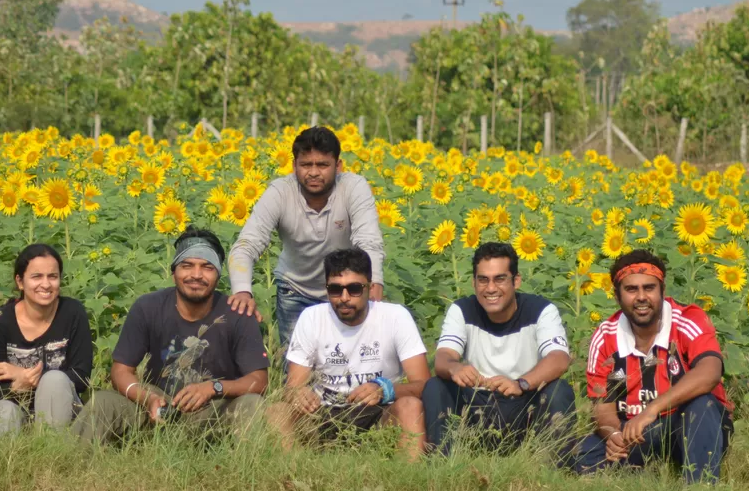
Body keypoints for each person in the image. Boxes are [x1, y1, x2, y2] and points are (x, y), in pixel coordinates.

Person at [71, 227, 268, 445]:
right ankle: (69, 461)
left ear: (218, 275)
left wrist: (213, 388)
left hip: (214, 410)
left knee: (252, 404)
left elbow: (259, 381)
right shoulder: (148, 307)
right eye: (187, 265)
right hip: (156, 409)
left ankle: (244, 465)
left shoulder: (237, 314)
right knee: (102, 402)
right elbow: (120, 371)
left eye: (207, 267)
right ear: (173, 272)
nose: (196, 275)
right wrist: (148, 399)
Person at [567, 249, 734, 484]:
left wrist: (652, 409)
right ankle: (645, 477)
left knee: (701, 404)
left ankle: (700, 489)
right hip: (639, 432)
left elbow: (710, 372)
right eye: (631, 289)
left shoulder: (687, 320)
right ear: (617, 296)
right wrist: (613, 434)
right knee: (583, 454)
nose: (641, 297)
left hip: (692, 424)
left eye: (649, 288)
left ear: (662, 290)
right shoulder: (605, 337)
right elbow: (603, 409)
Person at [226, 126, 386, 344]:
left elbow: (368, 240)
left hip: (345, 290)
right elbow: (247, 244)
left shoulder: (353, 187)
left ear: (338, 166)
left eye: (322, 165)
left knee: (347, 355)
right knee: (296, 360)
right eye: (306, 165)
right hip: (295, 291)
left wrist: (374, 282)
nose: (313, 172)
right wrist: (242, 292)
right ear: (294, 166)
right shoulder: (280, 192)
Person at [271, 248, 430, 459]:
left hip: (379, 414)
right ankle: (293, 473)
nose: (344, 298)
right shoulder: (311, 318)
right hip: (322, 415)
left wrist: (385, 390)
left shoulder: (395, 317)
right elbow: (292, 387)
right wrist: (299, 395)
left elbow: (425, 386)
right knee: (276, 411)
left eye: (354, 289)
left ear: (370, 288)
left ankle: (408, 474)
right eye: (335, 289)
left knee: (410, 406)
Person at [423, 242, 575, 455]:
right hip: (476, 405)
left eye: (500, 279)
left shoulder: (541, 310)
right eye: (483, 280)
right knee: (436, 386)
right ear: (474, 283)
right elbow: (443, 356)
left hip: (525, 402)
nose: (491, 288)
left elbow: (559, 358)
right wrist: (455, 368)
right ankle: (443, 461)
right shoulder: (462, 310)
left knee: (559, 390)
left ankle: (556, 466)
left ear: (516, 281)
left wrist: (521, 383)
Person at [0, 244, 92, 437]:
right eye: (36, 276)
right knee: (6, 411)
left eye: (52, 276)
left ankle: (51, 449)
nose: (46, 284)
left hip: (60, 409)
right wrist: (20, 383)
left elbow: (81, 378)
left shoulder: (73, 313)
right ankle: (0, 456)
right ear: (20, 281)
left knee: (55, 380)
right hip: (8, 405)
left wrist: (28, 376)